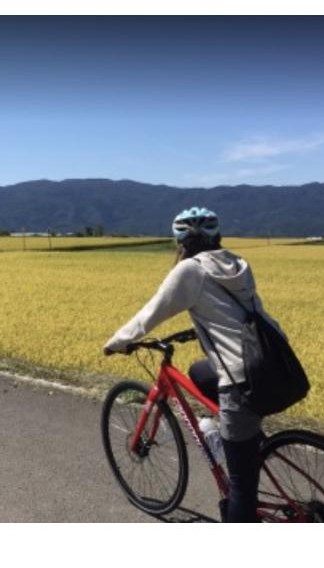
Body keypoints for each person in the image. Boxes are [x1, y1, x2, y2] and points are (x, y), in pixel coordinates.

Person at [103, 207, 286, 522]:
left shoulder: (189, 270)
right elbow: (232, 315)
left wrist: (117, 342)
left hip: (243, 380)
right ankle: (227, 433)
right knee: (199, 372)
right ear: (219, 237)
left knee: (240, 490)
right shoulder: (237, 263)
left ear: (180, 243)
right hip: (277, 365)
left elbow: (151, 314)